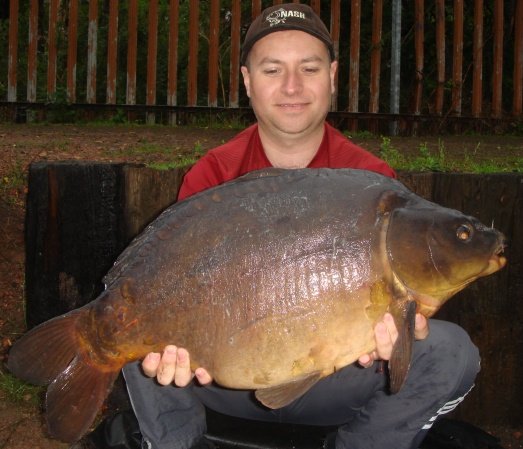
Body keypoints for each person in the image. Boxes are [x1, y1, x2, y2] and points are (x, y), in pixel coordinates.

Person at [121, 4, 480, 449]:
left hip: (333, 382)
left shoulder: (372, 182)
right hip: (220, 375)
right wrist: (168, 351)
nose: (292, 87)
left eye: (308, 69)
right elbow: (173, 288)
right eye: (273, 70)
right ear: (248, 81)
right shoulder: (212, 176)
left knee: (449, 352)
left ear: (331, 77)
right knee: (126, 326)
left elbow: (405, 297)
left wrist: (397, 333)